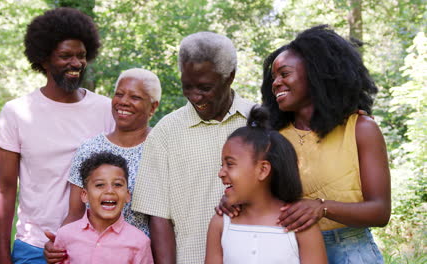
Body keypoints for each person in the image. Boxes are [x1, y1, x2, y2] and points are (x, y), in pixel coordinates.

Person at [0, 8, 114, 264]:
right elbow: (4, 188)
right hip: (34, 246)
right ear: (44, 59)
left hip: (96, 246)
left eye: (81, 56)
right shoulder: (17, 113)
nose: (76, 63)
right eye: (65, 56)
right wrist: (3, 257)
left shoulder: (106, 110)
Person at [260, 25, 390, 263]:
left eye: (284, 74)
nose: (276, 83)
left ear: (315, 74)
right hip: (291, 251)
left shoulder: (360, 129)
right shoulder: (273, 138)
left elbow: (380, 212)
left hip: (351, 251)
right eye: (273, 77)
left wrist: (322, 207)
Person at [131, 32, 256, 264]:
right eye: (187, 86)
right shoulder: (165, 132)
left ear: (230, 77)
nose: (195, 97)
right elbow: (159, 217)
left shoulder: (258, 121)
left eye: (205, 87)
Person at [44, 68, 161, 263]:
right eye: (119, 94)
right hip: (89, 252)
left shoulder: (161, 147)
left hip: (136, 254)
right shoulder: (90, 148)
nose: (123, 101)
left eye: (135, 97)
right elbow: (75, 213)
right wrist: (59, 246)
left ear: (153, 107)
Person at [205, 106, 327, 264]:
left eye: (230, 164)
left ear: (263, 170)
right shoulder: (220, 223)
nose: (221, 173)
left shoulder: (300, 224)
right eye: (222, 165)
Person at [53, 152, 153, 264]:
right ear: (85, 195)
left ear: (127, 195)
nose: (110, 190)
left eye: (118, 184)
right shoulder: (65, 235)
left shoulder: (139, 242)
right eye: (100, 185)